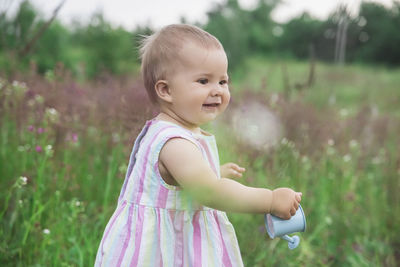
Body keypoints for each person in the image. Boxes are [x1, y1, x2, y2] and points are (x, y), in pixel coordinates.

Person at [95, 24, 302, 267]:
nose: (217, 91)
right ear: (166, 90)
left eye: (223, 81)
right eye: (203, 81)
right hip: (164, 253)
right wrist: (270, 199)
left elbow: (184, 183)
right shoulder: (175, 142)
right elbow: (210, 192)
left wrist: (213, 172)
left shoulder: (178, 131)